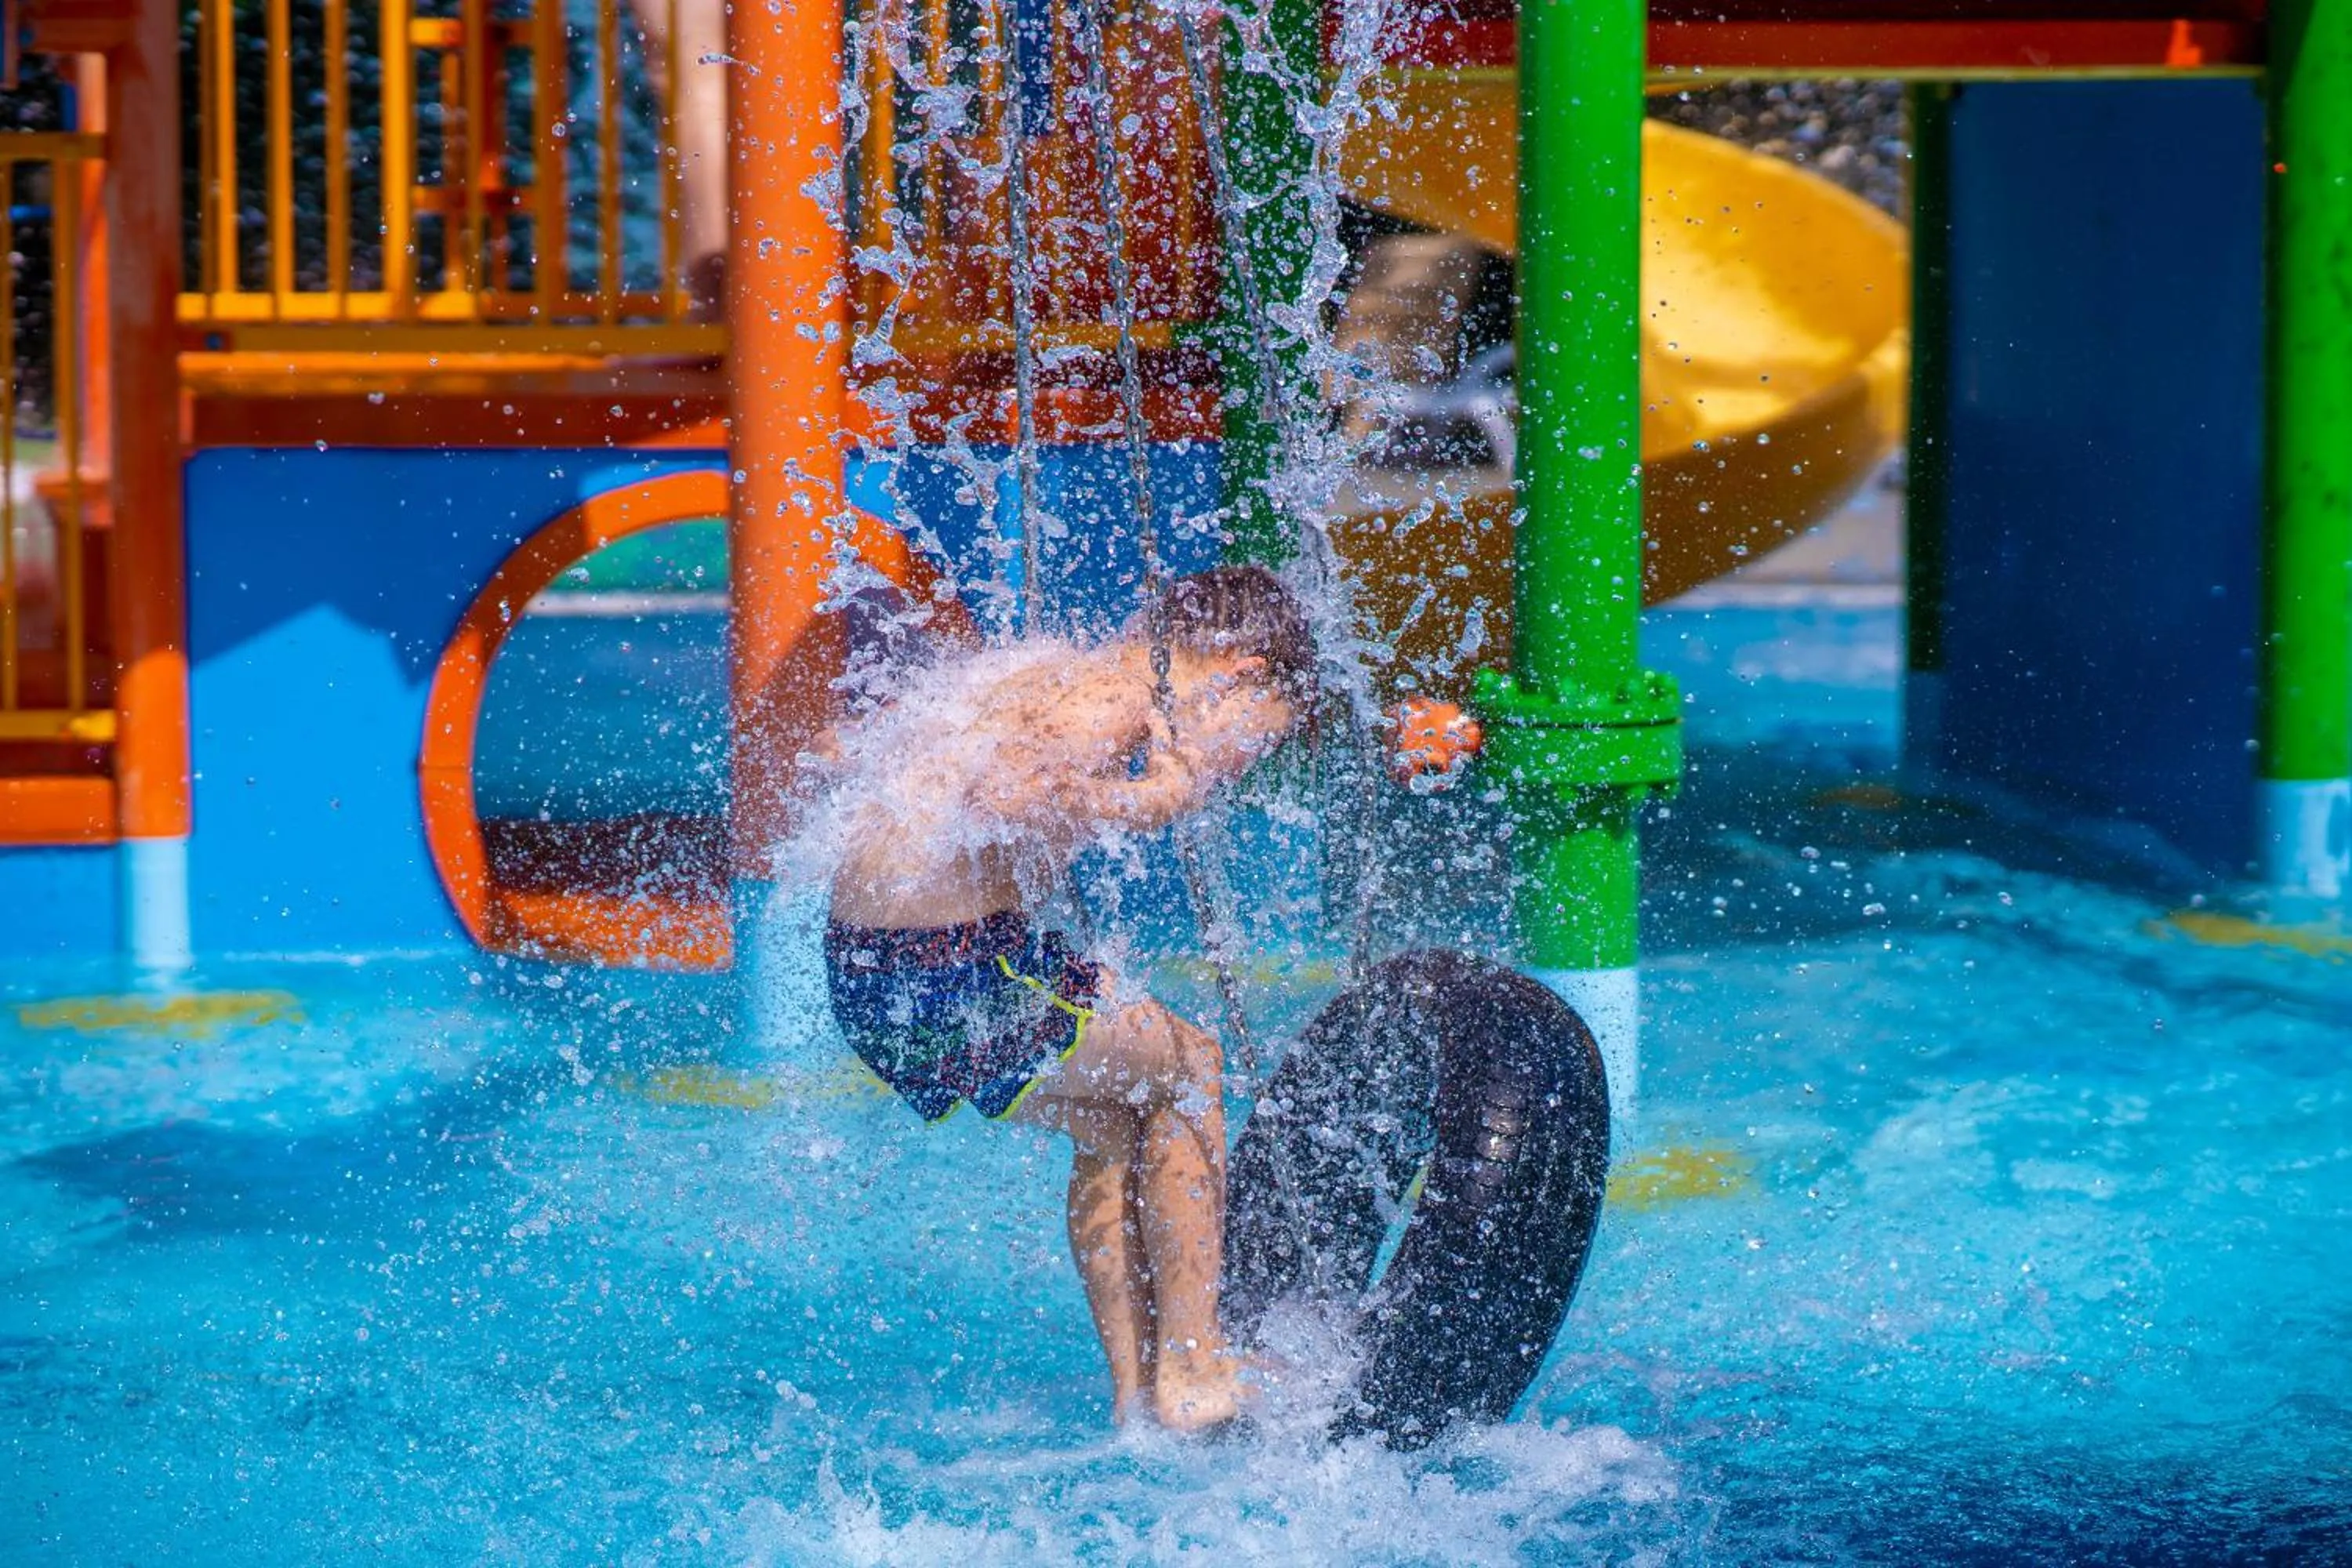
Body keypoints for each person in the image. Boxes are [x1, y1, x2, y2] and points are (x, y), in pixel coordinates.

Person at [822, 564, 1316, 1432]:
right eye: (1259, 739)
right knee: (1192, 1065)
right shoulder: (1109, 697)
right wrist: (1156, 796)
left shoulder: (1055, 669)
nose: (1241, 766)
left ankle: (1138, 1400)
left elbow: (881, 757)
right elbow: (1005, 792)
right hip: (952, 968)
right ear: (1242, 674)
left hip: (876, 978)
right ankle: (1196, 1372)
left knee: (1119, 1122)